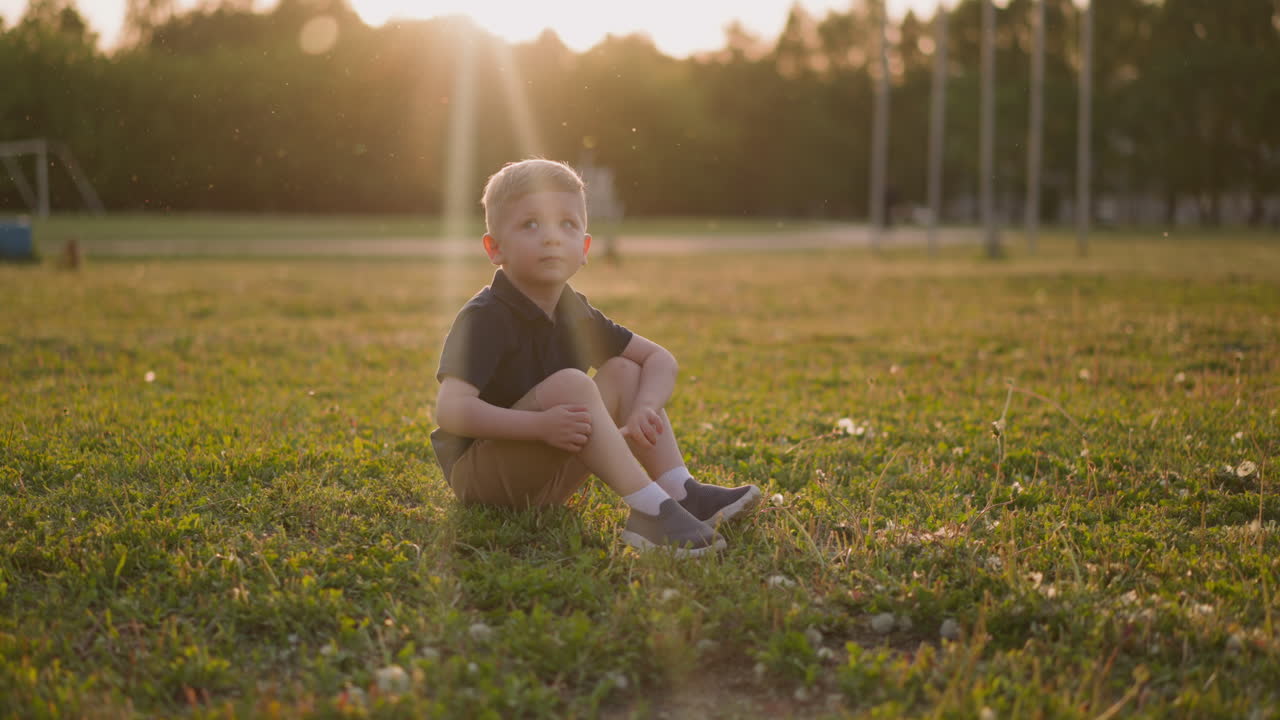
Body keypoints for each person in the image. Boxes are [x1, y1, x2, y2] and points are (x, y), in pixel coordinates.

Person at [431, 159, 760, 556]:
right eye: (530, 224)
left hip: (545, 475)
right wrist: (538, 427)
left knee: (623, 370)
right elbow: (451, 411)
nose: (552, 237)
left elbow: (659, 359)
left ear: (585, 248)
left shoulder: (576, 312)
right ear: (494, 248)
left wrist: (645, 408)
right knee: (572, 382)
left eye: (567, 224)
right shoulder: (485, 316)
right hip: (482, 477)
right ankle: (650, 512)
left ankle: (679, 489)